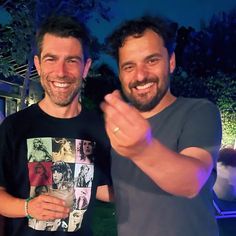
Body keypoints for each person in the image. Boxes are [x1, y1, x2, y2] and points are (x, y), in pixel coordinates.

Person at [100, 15, 222, 236]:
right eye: (129, 66)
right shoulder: (120, 127)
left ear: (171, 62)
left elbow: (191, 182)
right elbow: (126, 189)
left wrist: (141, 149)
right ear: (120, 73)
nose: (140, 75)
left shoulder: (199, 112)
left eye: (151, 60)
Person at [0, 15, 111, 236]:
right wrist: (27, 207)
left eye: (71, 60)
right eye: (51, 59)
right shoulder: (14, 127)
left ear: (86, 67)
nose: (61, 72)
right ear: (38, 65)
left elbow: (101, 187)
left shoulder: (101, 129)